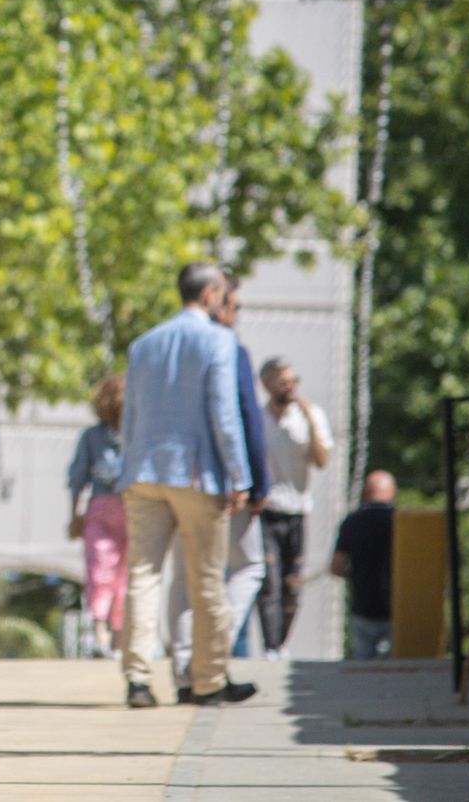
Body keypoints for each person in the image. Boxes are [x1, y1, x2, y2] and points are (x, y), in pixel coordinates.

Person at [118, 261, 256, 709]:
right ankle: (208, 678)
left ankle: (138, 679)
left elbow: (131, 415)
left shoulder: (143, 344)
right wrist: (241, 476)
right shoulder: (219, 339)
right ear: (213, 293)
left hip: (143, 472)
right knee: (207, 579)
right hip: (197, 473)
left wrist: (129, 467)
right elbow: (224, 414)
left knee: (143, 575)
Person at [165, 271, 270, 698]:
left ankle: (186, 669)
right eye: (234, 304)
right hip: (219, 481)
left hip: (170, 476)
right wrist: (254, 482)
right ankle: (213, 660)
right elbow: (244, 417)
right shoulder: (226, 346)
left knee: (182, 577)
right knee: (244, 568)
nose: (235, 314)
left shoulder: (167, 347)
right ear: (215, 300)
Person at [256, 357, 334, 658]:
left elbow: (321, 460)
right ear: (268, 385)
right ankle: (270, 646)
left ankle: (282, 642)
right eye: (282, 382)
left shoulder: (308, 416)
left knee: (291, 584)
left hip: (297, 510)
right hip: (267, 510)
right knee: (268, 580)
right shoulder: (259, 418)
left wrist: (310, 421)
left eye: (293, 381)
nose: (290, 387)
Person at [67, 373, 127, 659]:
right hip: (110, 507)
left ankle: (113, 636)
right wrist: (75, 515)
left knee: (116, 573)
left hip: (121, 508)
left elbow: (77, 478)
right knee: (106, 572)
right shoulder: (94, 437)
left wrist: (75, 514)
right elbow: (78, 477)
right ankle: (104, 634)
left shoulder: (133, 434)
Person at [333, 470, 397, 659]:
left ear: (365, 492)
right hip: (396, 607)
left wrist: (356, 574)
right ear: (393, 492)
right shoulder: (401, 522)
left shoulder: (352, 522)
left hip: (362, 605)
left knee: (362, 665)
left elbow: (336, 566)